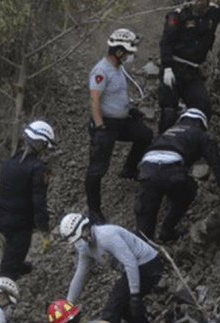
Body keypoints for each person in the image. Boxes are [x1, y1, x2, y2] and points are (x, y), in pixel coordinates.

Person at [157, 0, 220, 132]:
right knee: (168, 113)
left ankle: (193, 140)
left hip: (193, 71)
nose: (203, 4)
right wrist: (167, 67)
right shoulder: (178, 15)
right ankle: (159, 145)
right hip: (174, 68)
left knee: (203, 108)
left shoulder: (213, 13)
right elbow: (166, 41)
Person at [86, 28, 154, 224]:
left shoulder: (118, 68)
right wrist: (99, 127)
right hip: (106, 125)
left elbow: (115, 95)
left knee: (145, 135)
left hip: (121, 121)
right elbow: (94, 100)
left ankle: (129, 169)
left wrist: (128, 111)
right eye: (128, 52)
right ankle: (94, 210)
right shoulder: (101, 71)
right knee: (97, 170)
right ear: (118, 52)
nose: (131, 56)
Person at [134, 108, 220, 244]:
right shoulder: (198, 133)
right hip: (171, 171)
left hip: (147, 171)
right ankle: (167, 231)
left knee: (146, 216)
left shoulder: (166, 133)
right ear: (201, 124)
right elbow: (217, 163)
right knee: (187, 192)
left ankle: (143, 251)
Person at [56, 212, 164, 323]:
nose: (79, 244)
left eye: (79, 239)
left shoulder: (106, 236)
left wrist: (135, 295)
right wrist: (68, 305)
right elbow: (80, 276)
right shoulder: (85, 248)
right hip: (132, 269)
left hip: (148, 265)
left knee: (111, 310)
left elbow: (130, 263)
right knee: (122, 307)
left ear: (86, 229)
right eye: (75, 242)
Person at [0, 119, 57, 280]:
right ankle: (3, 289)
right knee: (12, 260)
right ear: (40, 144)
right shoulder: (37, 167)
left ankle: (17, 263)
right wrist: (44, 228)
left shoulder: (9, 162)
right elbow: (38, 201)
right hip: (19, 223)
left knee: (12, 247)